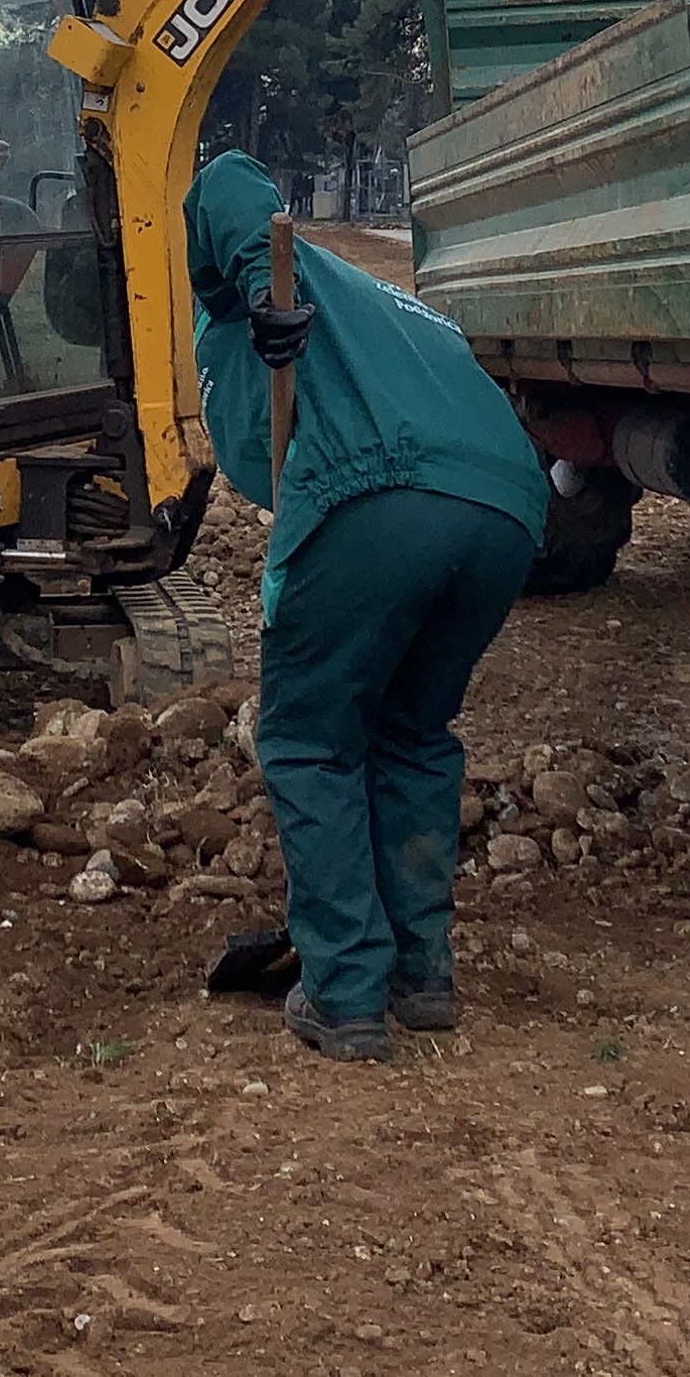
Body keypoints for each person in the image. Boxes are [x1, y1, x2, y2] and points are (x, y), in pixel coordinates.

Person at [183, 152, 549, 1064]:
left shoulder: (270, 291)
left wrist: (263, 297)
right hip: (507, 507)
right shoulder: (389, 313)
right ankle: (420, 976)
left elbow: (228, 182)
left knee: (310, 741)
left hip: (380, 488)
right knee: (412, 734)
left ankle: (344, 991)